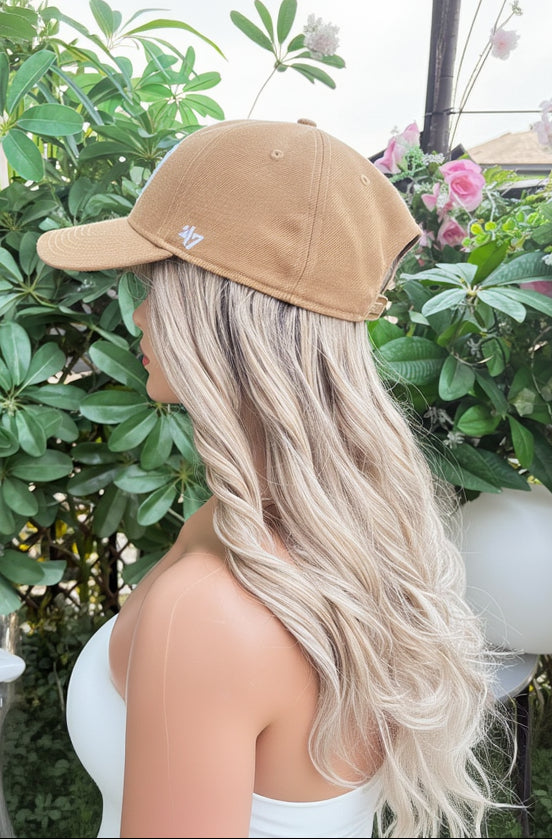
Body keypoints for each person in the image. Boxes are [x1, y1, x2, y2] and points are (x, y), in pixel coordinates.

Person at [37, 118, 509, 839]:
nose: (137, 313)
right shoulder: (327, 543)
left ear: (220, 315)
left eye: (156, 282)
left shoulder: (207, 610)